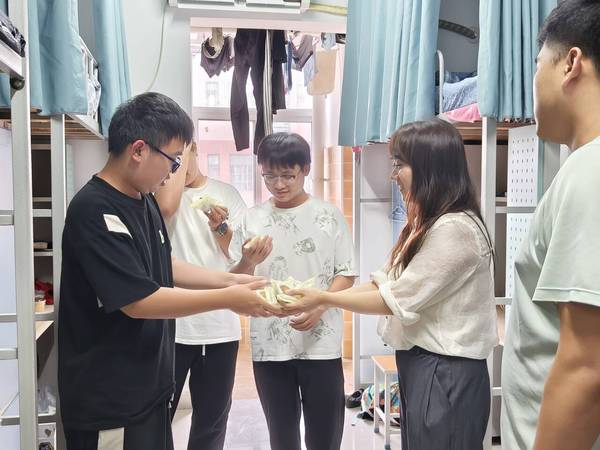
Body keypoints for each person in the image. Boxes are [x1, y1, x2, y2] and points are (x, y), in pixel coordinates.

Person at [58, 92, 279, 450]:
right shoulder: (94, 211)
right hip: (111, 402)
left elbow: (166, 265)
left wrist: (233, 279)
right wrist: (229, 298)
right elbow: (139, 301)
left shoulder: (142, 200)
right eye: (173, 160)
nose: (173, 172)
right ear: (139, 150)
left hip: (149, 391)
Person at [283, 118, 498, 450]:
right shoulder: (425, 223)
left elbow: (394, 298)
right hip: (424, 364)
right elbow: (382, 283)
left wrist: (322, 298)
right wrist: (321, 298)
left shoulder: (455, 229)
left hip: (446, 371)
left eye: (400, 165)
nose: (393, 175)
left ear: (430, 166)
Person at [499, 2, 600, 449]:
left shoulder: (591, 171)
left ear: (571, 63)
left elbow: (587, 368)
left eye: (538, 63)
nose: (533, 81)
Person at [229, 132, 357, 450]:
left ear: (306, 169)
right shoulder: (252, 218)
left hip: (321, 343)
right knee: (282, 438)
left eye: (288, 175)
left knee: (325, 438)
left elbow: (347, 274)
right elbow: (233, 281)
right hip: (270, 346)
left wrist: (320, 306)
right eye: (269, 176)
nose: (278, 184)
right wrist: (247, 260)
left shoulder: (328, 215)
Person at [154, 141, 269, 450]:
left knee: (212, 422)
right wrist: (176, 171)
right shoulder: (160, 192)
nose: (177, 164)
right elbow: (165, 210)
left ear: (195, 148)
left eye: (181, 155)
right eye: (173, 157)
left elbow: (238, 258)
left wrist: (220, 228)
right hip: (172, 326)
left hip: (220, 328)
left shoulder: (226, 193)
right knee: (158, 419)